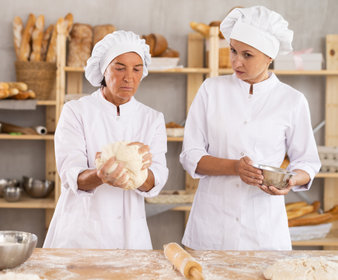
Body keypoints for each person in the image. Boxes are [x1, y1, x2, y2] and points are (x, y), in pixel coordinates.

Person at [179, 6, 321, 250]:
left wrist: (289, 180)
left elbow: (307, 162)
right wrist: (235, 167)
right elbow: (190, 156)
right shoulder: (211, 90)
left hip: (263, 230)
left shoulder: (292, 100)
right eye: (233, 51)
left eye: (247, 55)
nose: (236, 61)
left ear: (269, 57)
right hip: (212, 227)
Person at [43, 30, 169, 249]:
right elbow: (72, 174)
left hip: (130, 236)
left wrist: (136, 169)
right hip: (80, 235)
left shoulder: (152, 119)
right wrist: (102, 175)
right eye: (119, 68)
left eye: (136, 69)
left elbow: (155, 180)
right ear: (104, 70)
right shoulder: (76, 112)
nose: (129, 77)